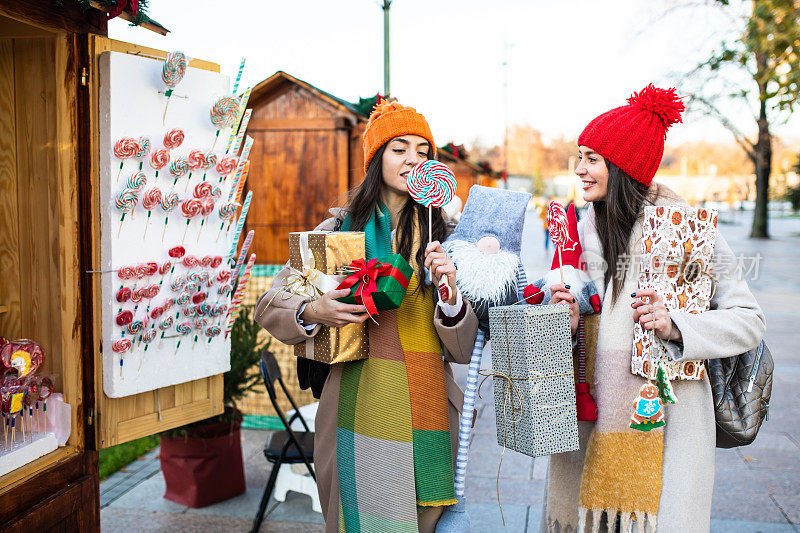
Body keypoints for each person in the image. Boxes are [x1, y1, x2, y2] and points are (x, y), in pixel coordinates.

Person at [540, 85, 765, 532]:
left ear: (622, 166)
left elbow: (749, 319)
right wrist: (564, 316)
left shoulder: (687, 232)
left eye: (592, 158)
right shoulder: (579, 229)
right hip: (589, 418)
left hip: (668, 422)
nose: (580, 170)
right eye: (579, 157)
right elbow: (581, 308)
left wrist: (678, 325)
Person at [255, 101, 478, 533]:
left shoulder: (447, 241)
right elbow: (271, 304)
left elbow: (464, 348)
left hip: (425, 405)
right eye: (399, 149)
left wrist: (449, 294)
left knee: (418, 523)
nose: (414, 159)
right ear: (376, 159)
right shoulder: (338, 235)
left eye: (422, 150)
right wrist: (314, 308)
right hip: (356, 403)